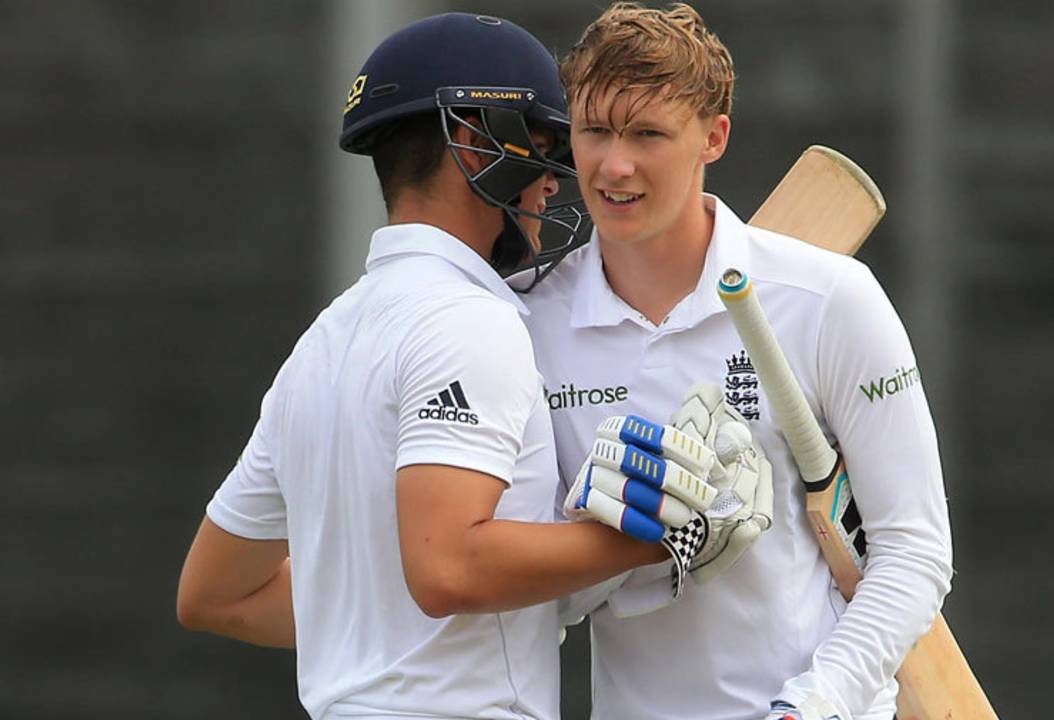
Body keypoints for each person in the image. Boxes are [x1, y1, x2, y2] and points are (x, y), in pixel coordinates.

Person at [174, 12, 757, 720]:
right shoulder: (472, 321)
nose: (553, 187)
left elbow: (214, 594)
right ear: (478, 144)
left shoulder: (321, 343)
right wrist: (649, 537)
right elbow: (447, 567)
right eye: (543, 151)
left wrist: (372, 615)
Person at [521, 4, 955, 719]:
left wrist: (810, 707)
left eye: (648, 134)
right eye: (594, 131)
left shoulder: (830, 299)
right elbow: (541, 606)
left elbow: (914, 551)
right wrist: (615, 536)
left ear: (712, 138)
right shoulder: (530, 321)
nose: (614, 164)